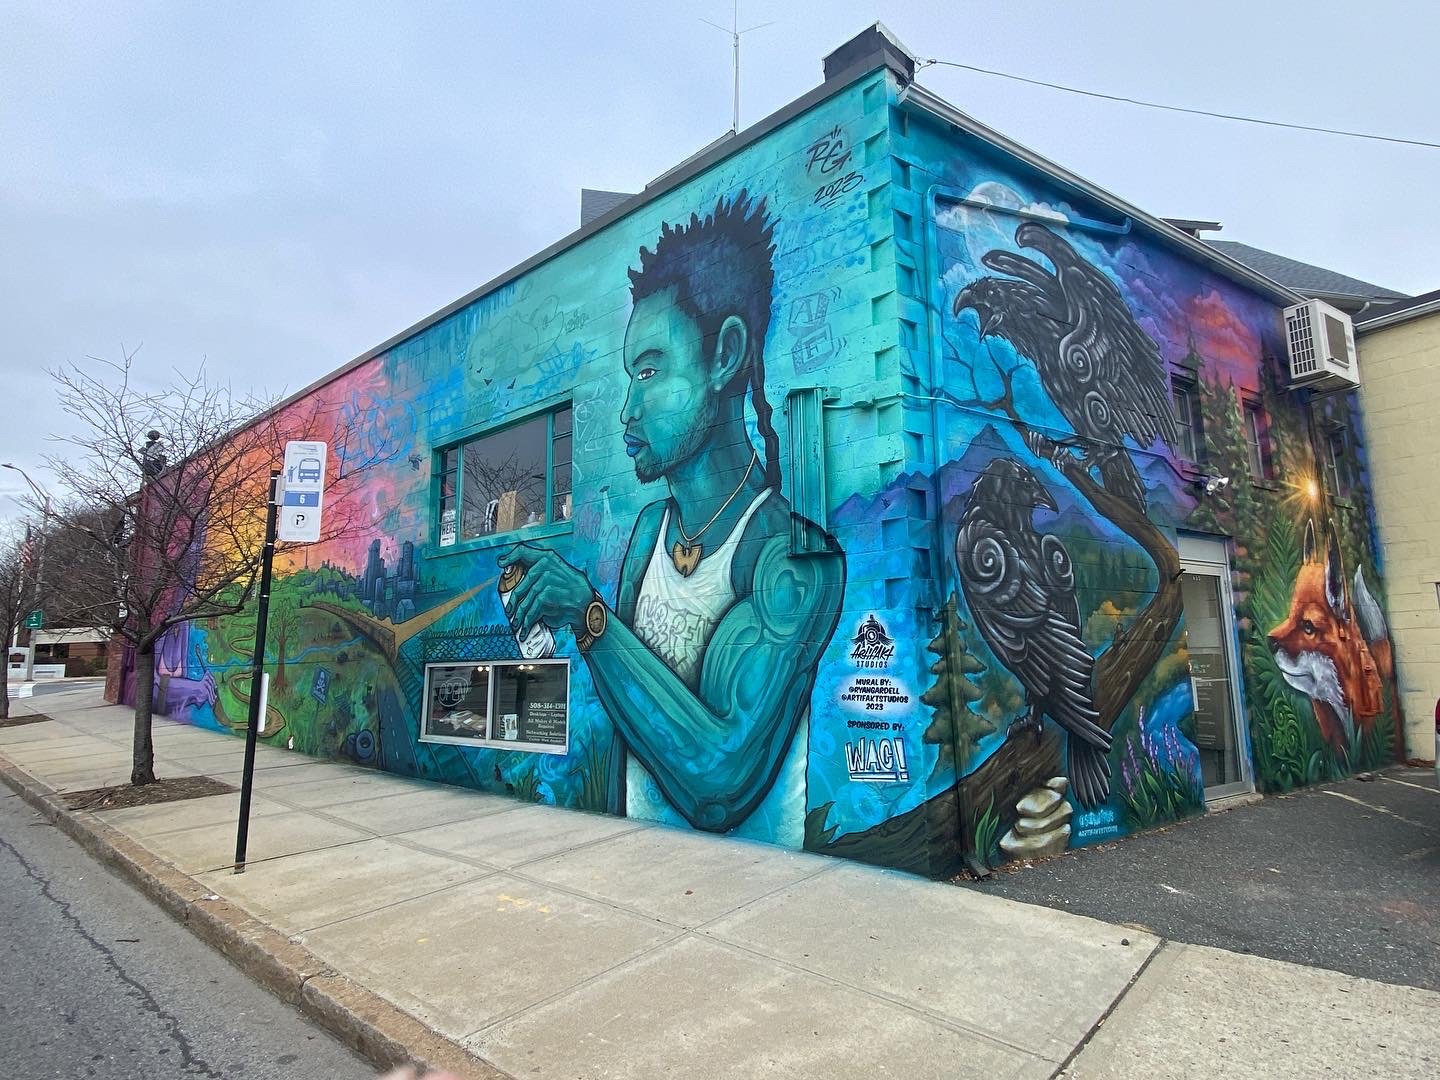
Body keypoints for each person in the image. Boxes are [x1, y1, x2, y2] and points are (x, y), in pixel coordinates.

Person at [498, 191, 845, 845]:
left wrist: (589, 617)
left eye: (652, 370)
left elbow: (719, 781)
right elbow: (630, 726)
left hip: (750, 889)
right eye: (631, 376)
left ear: (725, 355)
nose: (627, 410)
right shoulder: (649, 532)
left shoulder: (789, 558)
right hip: (640, 867)